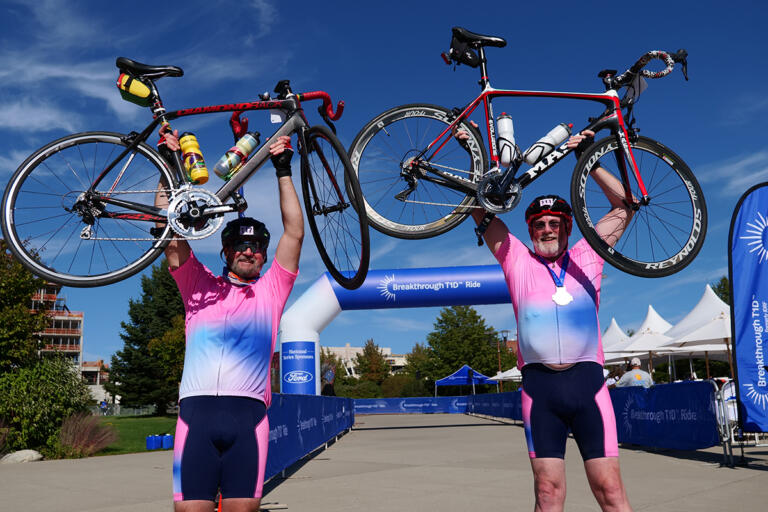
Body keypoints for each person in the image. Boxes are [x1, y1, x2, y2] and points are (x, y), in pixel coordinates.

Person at [469, 128, 635, 511]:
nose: (548, 229)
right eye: (540, 224)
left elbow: (624, 206)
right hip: (540, 390)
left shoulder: (588, 255)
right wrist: (474, 150)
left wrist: (588, 160)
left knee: (610, 490)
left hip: (587, 384)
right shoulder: (516, 259)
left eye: (555, 223)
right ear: (530, 231)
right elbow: (478, 206)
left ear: (568, 227)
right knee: (547, 492)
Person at [155, 128, 303, 512]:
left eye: (256, 247)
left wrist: (283, 169)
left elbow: (295, 233)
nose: (248, 251)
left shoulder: (272, 291)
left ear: (264, 256)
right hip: (196, 416)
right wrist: (166, 167)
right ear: (225, 250)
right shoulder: (198, 286)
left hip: (248, 417)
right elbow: (168, 233)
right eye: (240, 244)